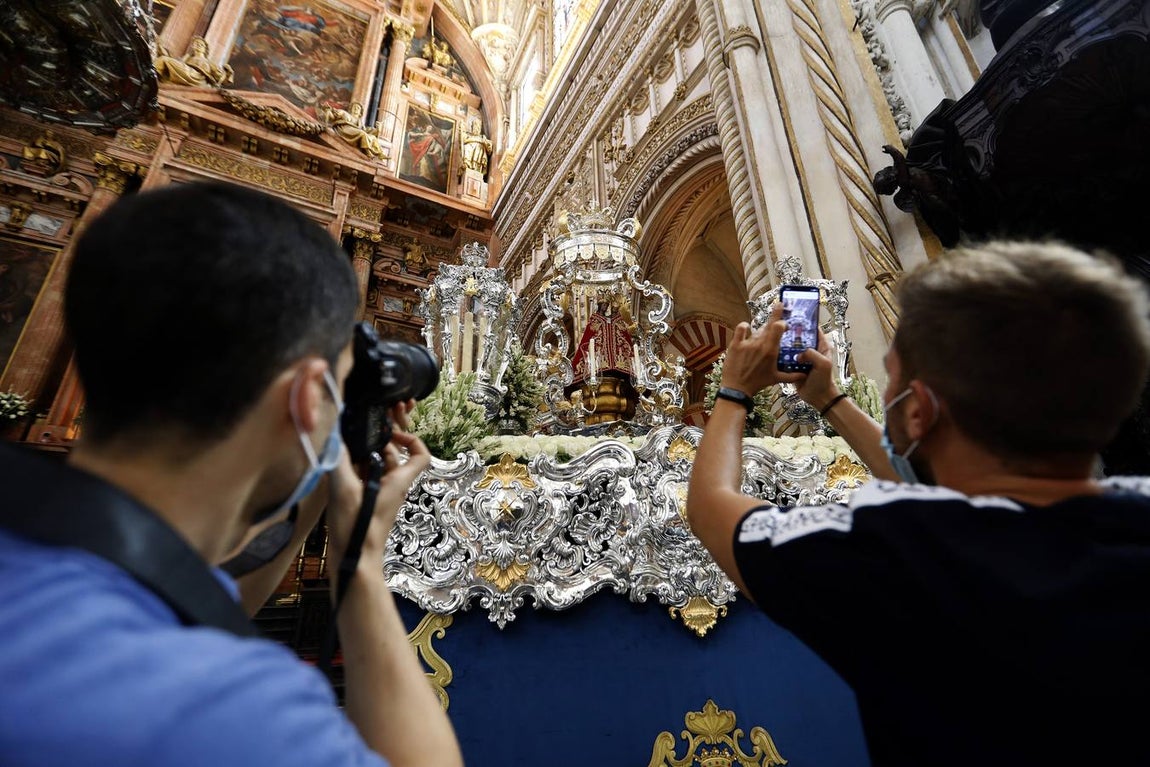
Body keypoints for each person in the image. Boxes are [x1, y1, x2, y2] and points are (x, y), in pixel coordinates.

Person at [0, 182, 463, 767]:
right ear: (304, 397)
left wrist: (326, 483)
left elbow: (201, 598)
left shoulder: (50, 552)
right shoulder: (223, 710)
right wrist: (364, 567)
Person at [686, 241, 1150, 766]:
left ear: (917, 413)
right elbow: (939, 496)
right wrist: (829, 400)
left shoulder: (897, 549)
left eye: (893, 378)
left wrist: (733, 391)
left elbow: (710, 506)